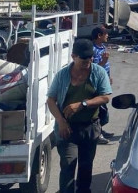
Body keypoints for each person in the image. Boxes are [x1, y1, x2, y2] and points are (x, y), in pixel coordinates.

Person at [46, 39, 112, 193]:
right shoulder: (62, 75)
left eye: (90, 58)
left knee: (86, 166)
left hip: (90, 127)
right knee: (68, 166)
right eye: (83, 59)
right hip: (68, 129)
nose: (88, 61)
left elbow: (106, 96)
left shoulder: (98, 72)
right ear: (73, 56)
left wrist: (82, 104)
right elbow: (51, 100)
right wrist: (61, 121)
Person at [91, 27, 114, 143]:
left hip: (103, 81)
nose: (107, 36)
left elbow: (106, 66)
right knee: (99, 108)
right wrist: (103, 62)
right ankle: (97, 134)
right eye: (105, 34)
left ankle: (100, 129)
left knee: (103, 107)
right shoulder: (93, 49)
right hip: (97, 82)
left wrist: (108, 77)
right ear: (99, 35)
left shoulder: (102, 47)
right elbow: (92, 68)